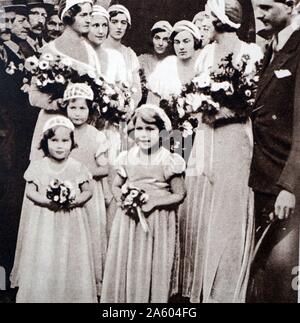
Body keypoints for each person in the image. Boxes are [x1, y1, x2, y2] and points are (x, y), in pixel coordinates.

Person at [177, 0, 263, 303]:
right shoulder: (205, 56)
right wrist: (200, 111)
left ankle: (226, 290)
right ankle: (201, 288)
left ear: (217, 21)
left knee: (230, 208)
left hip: (235, 139)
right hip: (206, 138)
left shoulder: (251, 53)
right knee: (202, 205)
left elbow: (253, 101)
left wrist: (222, 113)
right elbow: (194, 101)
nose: (204, 26)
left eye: (207, 20)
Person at [101, 105, 186, 303]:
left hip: (157, 220)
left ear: (162, 132)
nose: (144, 135)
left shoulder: (168, 159)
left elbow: (180, 194)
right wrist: (122, 200)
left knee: (152, 263)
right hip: (130, 220)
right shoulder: (127, 156)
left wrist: (155, 203)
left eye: (150, 129)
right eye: (140, 129)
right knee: (130, 260)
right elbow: (115, 185)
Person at [10, 116, 97, 303]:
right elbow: (30, 192)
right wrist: (45, 201)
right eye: (54, 140)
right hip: (45, 220)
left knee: (71, 257)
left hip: (71, 221)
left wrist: (74, 200)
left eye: (65, 141)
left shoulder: (77, 167)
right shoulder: (38, 166)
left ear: (72, 143)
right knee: (45, 255)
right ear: (45, 142)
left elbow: (88, 191)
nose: (59, 145)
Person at [248, 0, 300, 303]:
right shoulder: (272, 50)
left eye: (267, 5)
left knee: (283, 272)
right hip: (264, 180)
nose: (259, 12)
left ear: (292, 5)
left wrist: (289, 186)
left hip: (285, 184)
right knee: (265, 271)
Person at [29, 0, 101, 161]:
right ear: (68, 16)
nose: (89, 19)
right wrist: (55, 102)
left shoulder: (91, 52)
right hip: (52, 125)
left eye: (90, 14)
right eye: (83, 15)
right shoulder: (49, 51)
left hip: (80, 129)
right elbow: (33, 95)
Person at [63, 83, 109, 296]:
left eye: (82, 108)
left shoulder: (95, 135)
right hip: (65, 191)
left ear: (90, 109)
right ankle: (66, 279)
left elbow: (105, 168)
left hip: (89, 194)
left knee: (89, 236)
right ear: (65, 108)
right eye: (73, 108)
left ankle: (89, 283)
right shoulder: (60, 133)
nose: (77, 113)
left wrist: (82, 171)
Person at [147, 20, 202, 104]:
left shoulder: (202, 64)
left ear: (195, 42)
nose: (181, 47)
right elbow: (151, 103)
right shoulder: (167, 65)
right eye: (177, 42)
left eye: (186, 41)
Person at [103, 4, 142, 106]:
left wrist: (130, 107)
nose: (119, 27)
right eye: (114, 22)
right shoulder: (98, 49)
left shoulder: (129, 54)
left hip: (123, 109)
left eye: (123, 23)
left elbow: (136, 87)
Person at [138, 20, 172, 104]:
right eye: (157, 38)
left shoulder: (172, 63)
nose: (160, 43)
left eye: (165, 39)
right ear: (152, 39)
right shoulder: (142, 60)